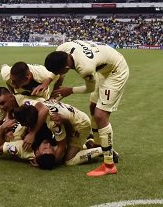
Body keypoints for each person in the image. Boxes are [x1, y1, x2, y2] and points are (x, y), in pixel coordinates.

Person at [44, 40, 129, 176]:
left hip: (116, 71)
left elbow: (90, 87)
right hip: (104, 66)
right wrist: (51, 83)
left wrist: (69, 90)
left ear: (66, 67)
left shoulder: (85, 68)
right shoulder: (62, 48)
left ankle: (109, 164)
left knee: (101, 115)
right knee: (93, 106)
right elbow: (60, 74)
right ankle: (97, 144)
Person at [14, 101, 106, 169]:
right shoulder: (36, 106)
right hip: (74, 116)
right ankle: (87, 143)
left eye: (23, 123)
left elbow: (62, 146)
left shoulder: (54, 122)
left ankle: (104, 149)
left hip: (80, 125)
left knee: (69, 160)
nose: (22, 125)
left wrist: (47, 162)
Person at [0, 87, 40, 162]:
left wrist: (32, 133)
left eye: (2, 103)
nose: (1, 107)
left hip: (12, 128)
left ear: (11, 96)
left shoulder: (25, 102)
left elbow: (44, 110)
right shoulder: (5, 108)